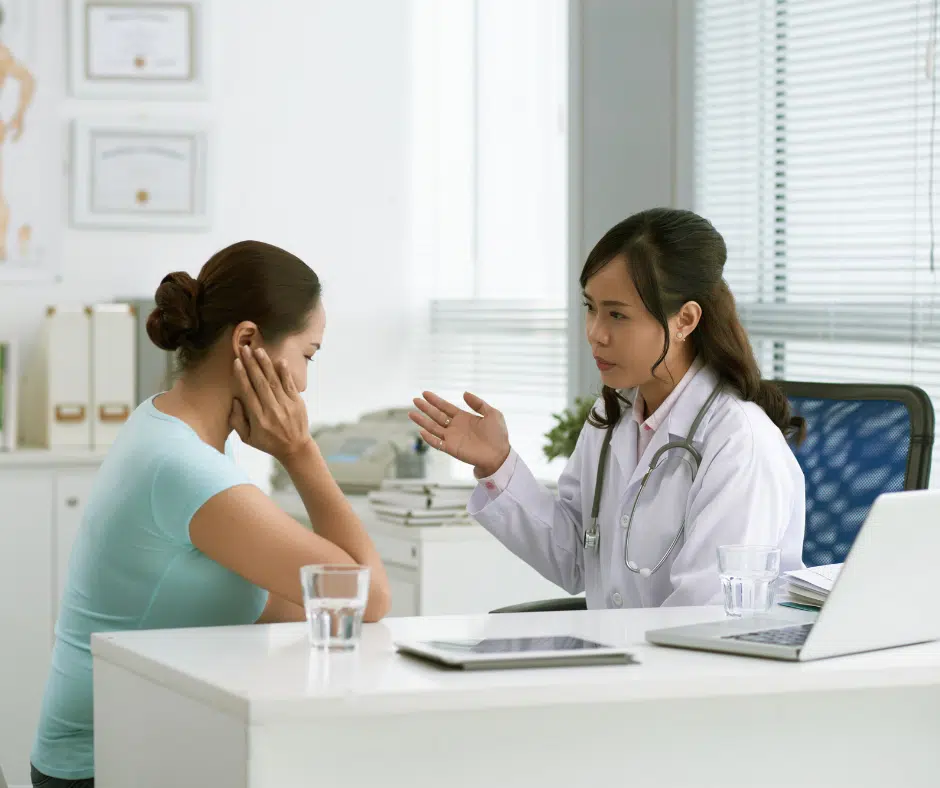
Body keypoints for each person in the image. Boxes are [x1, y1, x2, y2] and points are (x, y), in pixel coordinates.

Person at [30, 240, 391, 787]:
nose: (305, 383)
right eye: (308, 355)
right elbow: (368, 596)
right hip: (99, 770)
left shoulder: (175, 429)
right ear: (246, 341)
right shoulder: (181, 466)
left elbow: (277, 597)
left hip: (135, 744)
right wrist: (300, 451)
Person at [411, 208, 805, 609]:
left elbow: (704, 614)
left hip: (689, 665)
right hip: (623, 657)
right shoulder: (614, 417)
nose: (595, 333)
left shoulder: (739, 442)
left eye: (617, 314)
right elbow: (575, 561)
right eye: (590, 308)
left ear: (684, 320)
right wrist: (497, 464)